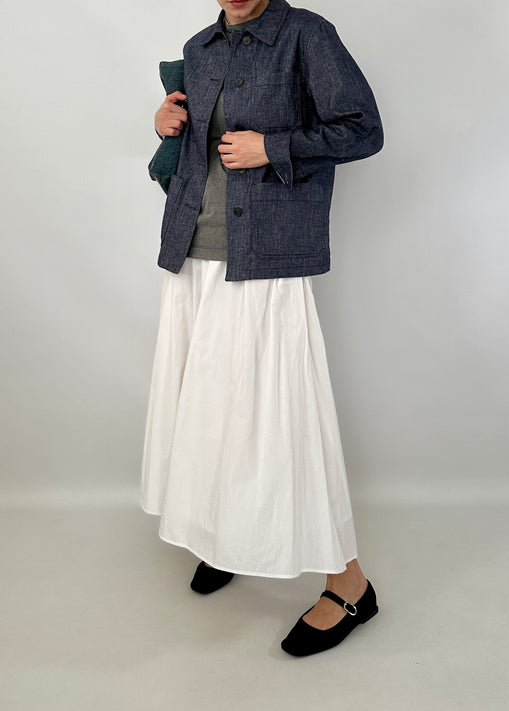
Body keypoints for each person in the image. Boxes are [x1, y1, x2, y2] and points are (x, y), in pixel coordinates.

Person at [141, 0, 384, 657]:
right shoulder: (199, 47)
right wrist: (167, 125)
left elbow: (363, 129)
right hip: (192, 254)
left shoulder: (306, 35)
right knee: (207, 413)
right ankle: (226, 538)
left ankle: (350, 584)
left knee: (283, 419)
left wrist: (272, 147)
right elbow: (198, 150)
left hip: (265, 259)